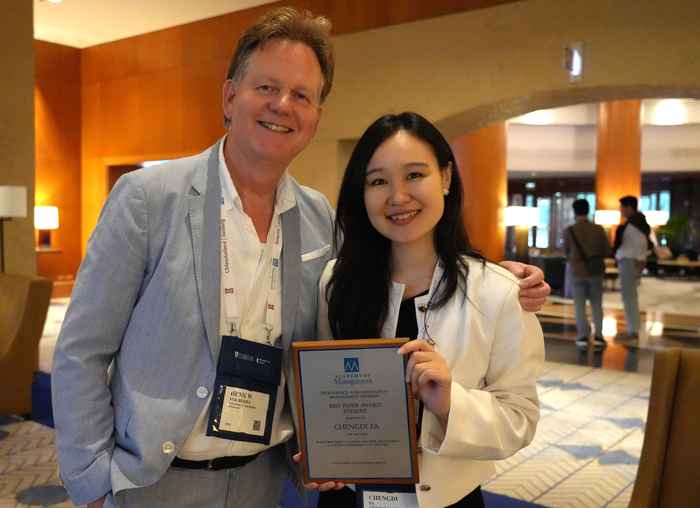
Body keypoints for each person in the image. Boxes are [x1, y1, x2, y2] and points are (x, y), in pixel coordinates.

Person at [51, 8, 550, 508]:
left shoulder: (318, 219)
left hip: (262, 481)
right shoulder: (148, 198)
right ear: (229, 97)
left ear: (315, 118)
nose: (283, 105)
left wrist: (497, 277)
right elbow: (82, 351)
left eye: (302, 95)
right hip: (153, 480)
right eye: (266, 88)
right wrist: (93, 482)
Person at [314, 112, 545, 508]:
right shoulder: (337, 281)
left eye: (415, 175)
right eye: (378, 181)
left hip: (448, 501)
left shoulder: (498, 291)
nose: (397, 196)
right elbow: (319, 388)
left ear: (447, 178)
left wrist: (450, 401)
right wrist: (319, 445)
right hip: (348, 498)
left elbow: (520, 418)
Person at [564, 199, 611, 349]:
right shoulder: (598, 229)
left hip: (578, 271)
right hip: (596, 271)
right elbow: (606, 251)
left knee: (579, 305)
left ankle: (583, 336)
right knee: (597, 304)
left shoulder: (569, 230)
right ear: (588, 210)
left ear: (574, 211)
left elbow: (566, 252)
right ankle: (599, 336)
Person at [613, 196, 652, 341]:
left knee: (629, 297)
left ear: (629, 207)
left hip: (629, 262)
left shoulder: (633, 225)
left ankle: (633, 330)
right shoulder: (639, 223)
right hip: (633, 262)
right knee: (631, 296)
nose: (620, 210)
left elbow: (638, 247)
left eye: (622, 207)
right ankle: (633, 328)